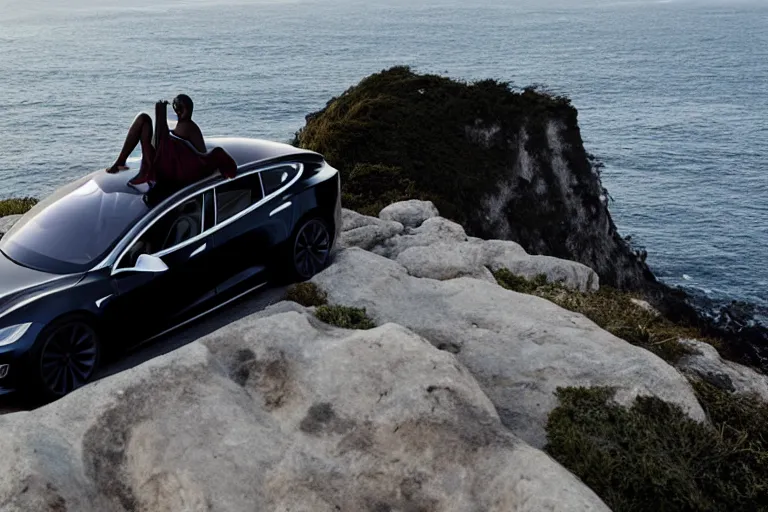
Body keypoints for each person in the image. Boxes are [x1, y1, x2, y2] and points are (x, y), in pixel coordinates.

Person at [106, 94, 236, 188]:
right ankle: (121, 161)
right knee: (143, 119)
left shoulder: (189, 127)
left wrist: (162, 119)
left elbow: (199, 156)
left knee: (144, 120)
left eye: (180, 108)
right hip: (163, 160)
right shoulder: (180, 126)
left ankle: (133, 165)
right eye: (177, 107)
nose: (178, 111)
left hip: (168, 168)